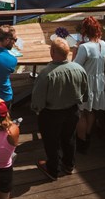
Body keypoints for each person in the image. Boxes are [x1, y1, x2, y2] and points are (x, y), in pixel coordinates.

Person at [31, 38, 88, 181]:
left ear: (52, 52)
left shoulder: (46, 74)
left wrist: (38, 110)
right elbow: (85, 94)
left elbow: (37, 101)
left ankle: (53, 169)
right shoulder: (79, 69)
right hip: (73, 111)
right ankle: (69, 165)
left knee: (51, 142)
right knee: (69, 138)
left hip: (51, 114)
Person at [73, 16, 105, 153]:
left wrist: (75, 51)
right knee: (91, 110)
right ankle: (87, 135)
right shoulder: (103, 44)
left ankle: (80, 141)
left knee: (80, 112)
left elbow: (74, 66)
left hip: (85, 82)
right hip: (97, 82)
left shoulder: (84, 48)